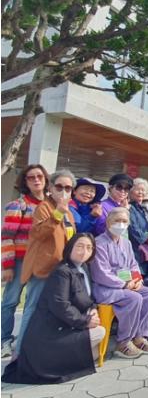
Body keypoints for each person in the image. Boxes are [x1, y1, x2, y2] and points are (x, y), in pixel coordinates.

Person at [2, 234, 105, 384]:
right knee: (99, 332)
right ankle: (53, 360)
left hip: (69, 324)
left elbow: (86, 297)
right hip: (52, 331)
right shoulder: (62, 272)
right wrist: (85, 321)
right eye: (80, 246)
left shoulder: (83, 268)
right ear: (70, 248)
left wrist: (92, 308)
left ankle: (66, 358)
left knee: (92, 352)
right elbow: (60, 305)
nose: (84, 251)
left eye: (89, 248)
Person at [17, 169, 77, 354]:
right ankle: (19, 352)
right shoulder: (44, 207)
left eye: (68, 188)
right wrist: (57, 213)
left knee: (52, 311)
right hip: (42, 269)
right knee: (33, 308)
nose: (63, 191)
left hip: (61, 270)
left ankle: (39, 350)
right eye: (59, 187)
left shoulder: (69, 213)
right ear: (50, 188)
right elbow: (39, 233)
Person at [90, 207, 148, 358]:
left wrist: (138, 280)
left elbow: (133, 264)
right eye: (117, 221)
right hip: (105, 288)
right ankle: (123, 342)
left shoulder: (126, 243)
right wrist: (124, 284)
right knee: (134, 298)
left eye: (124, 221)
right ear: (108, 222)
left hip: (127, 284)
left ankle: (140, 337)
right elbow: (101, 273)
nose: (120, 224)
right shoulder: (99, 243)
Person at [1, 164, 49, 358]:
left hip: (40, 262)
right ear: (25, 182)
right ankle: (4, 340)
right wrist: (7, 265)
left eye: (40, 176)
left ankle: (24, 342)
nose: (36, 180)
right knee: (10, 301)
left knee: (33, 303)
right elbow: (7, 237)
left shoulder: (51, 205)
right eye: (31, 177)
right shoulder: (18, 206)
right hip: (20, 261)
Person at [128, 178, 148, 274]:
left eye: (143, 190)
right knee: (134, 276)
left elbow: (146, 229)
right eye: (138, 189)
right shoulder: (130, 208)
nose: (141, 192)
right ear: (131, 191)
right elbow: (134, 229)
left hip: (142, 252)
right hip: (133, 250)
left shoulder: (140, 209)